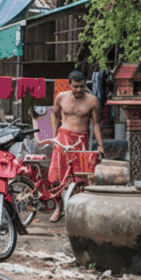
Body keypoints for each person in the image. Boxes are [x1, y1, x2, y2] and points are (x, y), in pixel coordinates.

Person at [47, 70, 105, 222]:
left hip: (80, 141)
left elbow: (96, 124)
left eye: (81, 86)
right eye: (75, 87)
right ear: (70, 85)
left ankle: (78, 211)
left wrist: (100, 145)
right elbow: (54, 114)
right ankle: (58, 207)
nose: (78, 90)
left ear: (85, 84)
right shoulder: (61, 97)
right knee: (55, 175)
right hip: (63, 138)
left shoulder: (92, 101)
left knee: (81, 177)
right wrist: (54, 136)